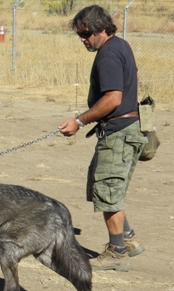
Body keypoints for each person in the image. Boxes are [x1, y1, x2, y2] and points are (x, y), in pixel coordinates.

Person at [59, 5, 147, 272]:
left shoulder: (108, 54)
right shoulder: (120, 46)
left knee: (108, 190)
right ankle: (128, 240)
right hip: (125, 129)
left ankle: (116, 252)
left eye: (85, 34)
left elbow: (113, 98)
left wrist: (79, 120)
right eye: (79, 35)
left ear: (100, 29)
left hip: (118, 132)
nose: (83, 40)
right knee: (108, 188)